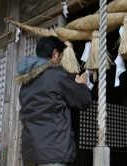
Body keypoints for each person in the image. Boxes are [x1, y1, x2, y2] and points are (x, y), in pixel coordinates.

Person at [16, 36, 92, 166]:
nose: (61, 61)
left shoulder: (25, 83)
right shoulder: (57, 75)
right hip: (52, 150)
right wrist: (82, 85)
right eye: (61, 57)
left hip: (30, 151)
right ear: (55, 53)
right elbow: (83, 100)